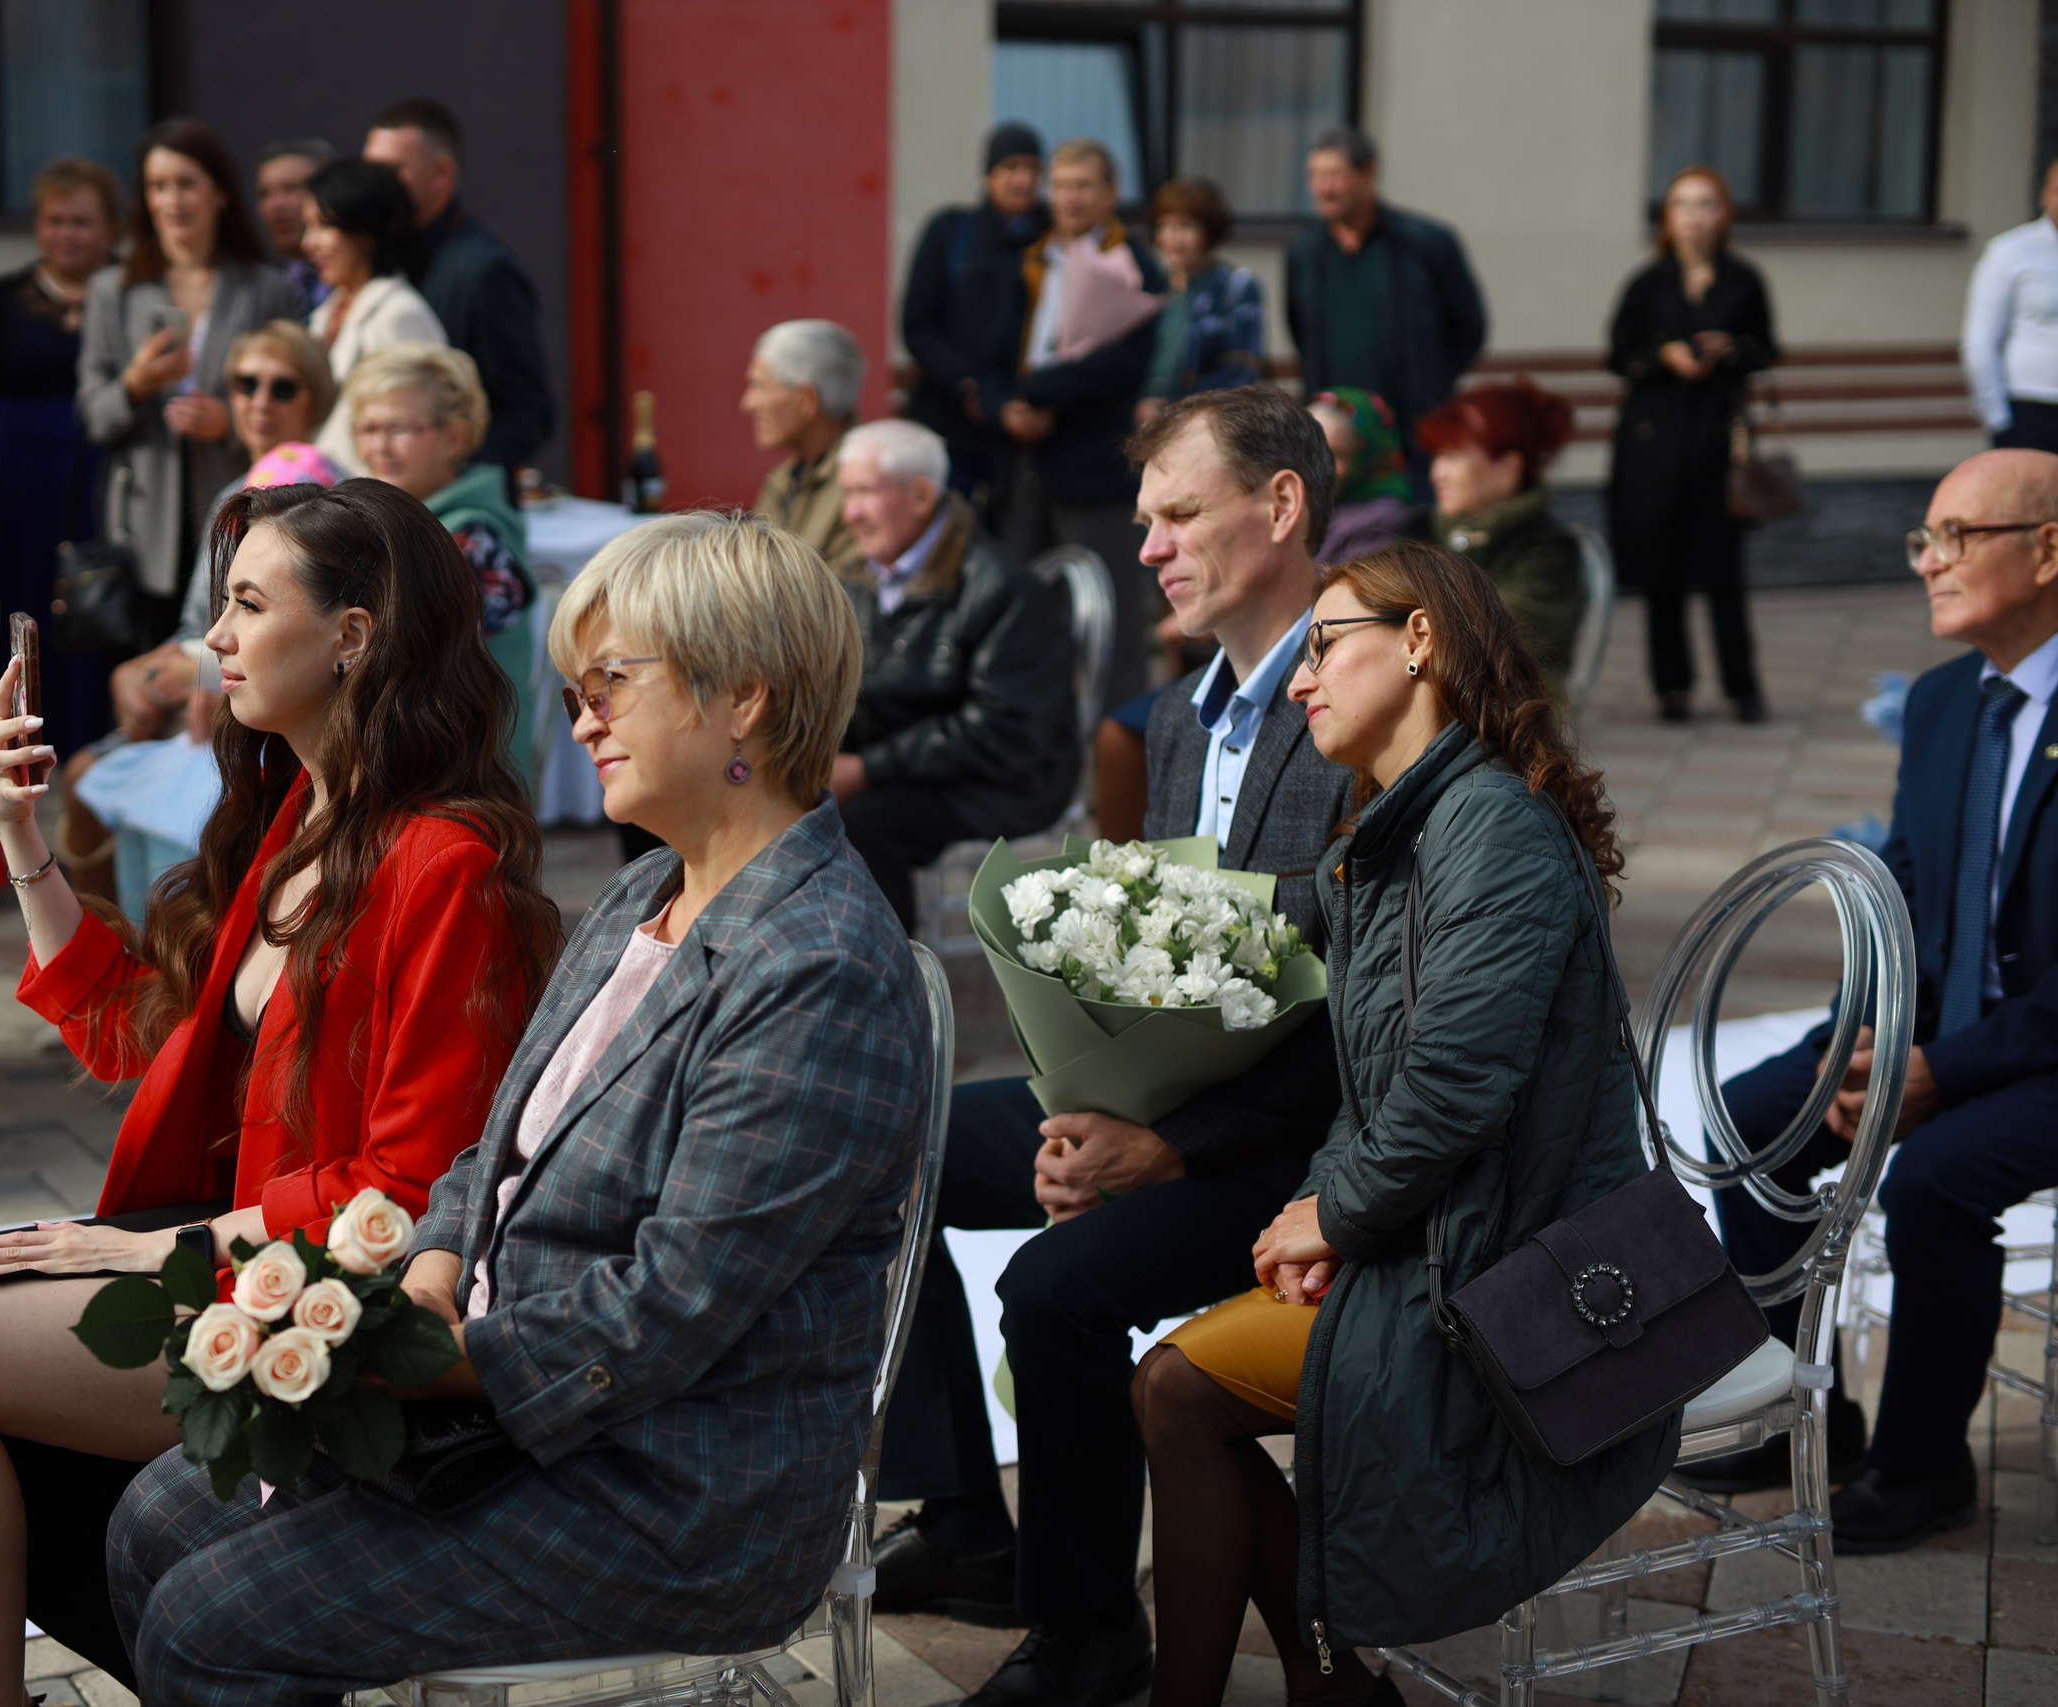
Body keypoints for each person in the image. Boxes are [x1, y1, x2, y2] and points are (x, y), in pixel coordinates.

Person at [105, 509, 931, 1703]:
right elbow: (489, 1149)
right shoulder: (644, 893)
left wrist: (417, 1362)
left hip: (673, 1494)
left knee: (210, 1624)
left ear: (744, 700)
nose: (581, 721)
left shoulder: (816, 964)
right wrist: (432, 1270)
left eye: (610, 685)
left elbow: (668, 1309)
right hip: (526, 1418)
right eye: (576, 691)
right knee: (154, 1520)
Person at [0, 478, 561, 1700]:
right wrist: (22, 838)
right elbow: (148, 1034)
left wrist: (166, 1249)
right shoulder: (304, 812)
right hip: (249, 1243)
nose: (216, 638)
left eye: (248, 604)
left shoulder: (442, 862)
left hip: (343, 1296)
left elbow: (413, 1194)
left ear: (352, 636)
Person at [874, 387, 1353, 1707]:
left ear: (1281, 505)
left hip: (1302, 1148)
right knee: (887, 1147)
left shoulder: (1354, 700)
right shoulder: (1178, 715)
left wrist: (1163, 1146)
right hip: (1176, 1102)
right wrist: (1090, 1099)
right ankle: (965, 1519)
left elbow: (1368, 1017)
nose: (1148, 547)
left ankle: (1086, 1625)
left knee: (1054, 1286)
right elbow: (1166, 961)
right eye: (1145, 519)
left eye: (1179, 515)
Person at [1134, 539, 1671, 1707]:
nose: (1298, 681)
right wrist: (1324, 1216)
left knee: (1175, 1389)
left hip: (1513, 1265)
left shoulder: (1488, 826)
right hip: (1437, 1229)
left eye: (1322, 647)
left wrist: (1336, 1215)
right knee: (1175, 1386)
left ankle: (1309, 1687)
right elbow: (1369, 1089)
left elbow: (1455, 1089)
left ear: (1418, 640)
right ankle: (1333, 1687)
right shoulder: (1393, 835)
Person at [1692, 449, 2058, 1551]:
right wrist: (1868, 1040)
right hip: (1945, 1029)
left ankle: (1924, 1463)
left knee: (1934, 1180)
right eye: (1922, 540)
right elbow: (1898, 897)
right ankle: (1801, 1411)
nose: (1928, 562)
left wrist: (1935, 1072)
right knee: (1750, 1120)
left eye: (1957, 537)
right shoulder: (1947, 702)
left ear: (2048, 549)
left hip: (2041, 1053)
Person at [60, 322, 343, 909]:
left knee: (108, 788)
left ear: (315, 399)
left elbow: (307, 633)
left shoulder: (330, 497)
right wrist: (138, 673)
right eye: (246, 384)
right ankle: (119, 944)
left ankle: (146, 944)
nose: (260, 402)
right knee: (83, 779)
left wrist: (194, 674)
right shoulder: (234, 494)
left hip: (267, 714)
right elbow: (200, 625)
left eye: (282, 387)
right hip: (209, 691)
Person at [829, 418, 1076, 932]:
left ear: (921, 496)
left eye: (864, 492)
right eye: (846, 493)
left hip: (1002, 780)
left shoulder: (1002, 588)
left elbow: (1003, 732)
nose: (850, 512)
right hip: (908, 762)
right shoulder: (861, 575)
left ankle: (890, 970)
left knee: (862, 823)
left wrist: (865, 769)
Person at [79, 118, 301, 639]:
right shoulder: (113, 290)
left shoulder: (265, 288)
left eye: (186, 184)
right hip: (140, 522)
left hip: (238, 501)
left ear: (220, 193)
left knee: (236, 646)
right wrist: (134, 384)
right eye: (158, 186)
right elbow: (92, 416)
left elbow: (300, 399)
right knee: (152, 665)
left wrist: (230, 424)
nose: (172, 200)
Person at [0, 156, 123, 760]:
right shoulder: (2, 299)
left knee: (94, 602)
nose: (67, 234)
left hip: (98, 482)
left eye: (82, 222)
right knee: (24, 605)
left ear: (110, 228)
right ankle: (20, 742)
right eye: (55, 221)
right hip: (18, 490)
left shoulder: (130, 294)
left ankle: (90, 746)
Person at [996, 137, 1167, 710]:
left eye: (1084, 186)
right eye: (1061, 185)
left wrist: (1040, 393)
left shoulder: (1132, 262)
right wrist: (1006, 406)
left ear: (1111, 194)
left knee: (1108, 619)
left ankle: (1115, 739)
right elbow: (997, 343)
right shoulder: (1030, 256)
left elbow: (1127, 360)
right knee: (1028, 604)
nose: (1069, 197)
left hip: (1096, 465)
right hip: (1024, 460)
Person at [1608, 165, 1777, 725]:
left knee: (1724, 571)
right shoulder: (1647, 282)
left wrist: (1728, 348)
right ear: (1667, 217)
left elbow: (1766, 350)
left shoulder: (1743, 280)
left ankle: (1742, 686)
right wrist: (1663, 355)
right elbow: (1618, 353)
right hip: (1653, 446)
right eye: (1682, 205)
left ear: (1723, 214)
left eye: (1706, 204)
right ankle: (1672, 687)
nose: (1693, 217)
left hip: (1716, 445)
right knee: (1662, 572)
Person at [349, 344, 538, 783]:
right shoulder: (398, 522)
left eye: (400, 428)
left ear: (455, 436)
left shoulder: (474, 538)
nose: (380, 446)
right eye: (368, 428)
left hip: (466, 785)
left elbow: (399, 660)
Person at [363, 100, 557, 478]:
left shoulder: (483, 271)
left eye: (390, 171)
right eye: (370, 170)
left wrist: (448, 471)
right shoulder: (388, 254)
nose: (374, 186)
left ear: (442, 173)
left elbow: (528, 411)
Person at [1283, 126, 1486, 476]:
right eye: (1314, 176)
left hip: (1411, 434)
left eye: (1334, 175)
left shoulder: (1424, 244)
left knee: (1413, 512)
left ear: (1367, 174)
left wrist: (1431, 383)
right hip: (1335, 438)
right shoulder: (1304, 252)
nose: (1323, 188)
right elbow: (1300, 330)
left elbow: (1469, 329)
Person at [902, 124, 1049, 514]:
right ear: (989, 176)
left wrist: (1031, 400)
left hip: (1030, 430)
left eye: (1033, 168)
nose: (1023, 180)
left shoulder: (1054, 240)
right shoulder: (951, 233)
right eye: (1011, 168)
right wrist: (970, 386)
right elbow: (917, 323)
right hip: (949, 423)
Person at [1414, 378, 1585, 694]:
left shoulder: (1548, 549)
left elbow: (1496, 642)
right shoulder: (1417, 530)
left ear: (1508, 467)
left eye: (1452, 456)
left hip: (1511, 712)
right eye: (1436, 457)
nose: (1436, 473)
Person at [300, 157, 444, 477]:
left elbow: (417, 440)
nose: (308, 243)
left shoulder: (398, 314)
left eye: (323, 225)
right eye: (307, 227)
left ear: (365, 230)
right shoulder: (329, 312)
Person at [745, 318, 864, 577]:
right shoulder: (782, 480)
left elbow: (841, 593)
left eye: (759, 386)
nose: (748, 403)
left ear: (807, 399)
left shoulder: (866, 484)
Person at [1139, 177, 1262, 418]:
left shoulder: (1236, 287)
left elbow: (1241, 373)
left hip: (1206, 420)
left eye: (1185, 226)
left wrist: (1173, 409)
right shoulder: (1152, 286)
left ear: (1208, 231)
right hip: (1144, 420)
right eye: (1164, 226)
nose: (1173, 238)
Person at [1962, 160, 2058, 455]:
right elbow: (1979, 342)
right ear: (2043, 196)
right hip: (2032, 408)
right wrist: (1998, 420)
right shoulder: (2011, 251)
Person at [1307, 388, 1416, 565]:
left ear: (1366, 457)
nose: (1318, 464)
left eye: (1337, 454)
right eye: (1309, 449)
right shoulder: (1297, 505)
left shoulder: (1380, 522)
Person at [253, 137, 334, 311]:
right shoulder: (254, 291)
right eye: (264, 193)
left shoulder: (361, 287)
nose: (276, 205)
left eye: (290, 188)